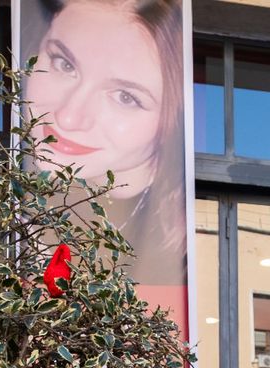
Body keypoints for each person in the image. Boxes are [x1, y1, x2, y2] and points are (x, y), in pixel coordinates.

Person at [24, 0, 187, 285]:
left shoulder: (176, 248)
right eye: (64, 64)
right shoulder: (7, 194)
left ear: (172, 123)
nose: (69, 117)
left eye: (125, 97)